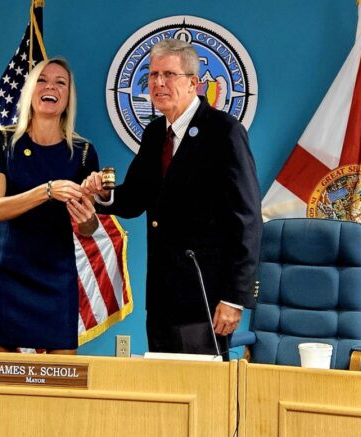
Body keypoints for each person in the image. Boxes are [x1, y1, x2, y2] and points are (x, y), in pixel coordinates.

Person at [83, 39, 261, 357]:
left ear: (194, 82)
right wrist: (102, 196)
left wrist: (234, 298)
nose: (158, 83)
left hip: (205, 297)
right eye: (152, 75)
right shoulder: (155, 133)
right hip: (163, 295)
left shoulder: (224, 131)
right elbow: (136, 198)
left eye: (169, 74)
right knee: (165, 395)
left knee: (202, 395)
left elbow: (246, 220)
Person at [0, 58, 98, 354]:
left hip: (56, 273)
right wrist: (47, 191)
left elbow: (88, 228)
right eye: (43, 80)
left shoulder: (83, 152)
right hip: (6, 272)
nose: (51, 87)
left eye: (61, 82)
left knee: (62, 380)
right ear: (30, 90)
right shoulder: (2, 142)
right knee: (0, 378)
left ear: (68, 96)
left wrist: (86, 218)